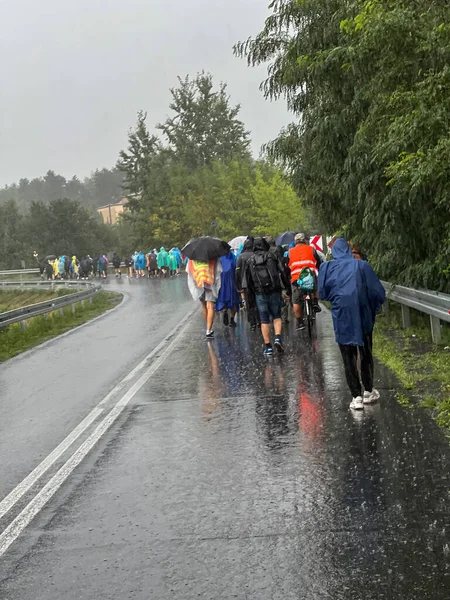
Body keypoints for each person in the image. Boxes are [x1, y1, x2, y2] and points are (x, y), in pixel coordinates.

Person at [319, 237, 386, 410]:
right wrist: (374, 306)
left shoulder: (327, 267)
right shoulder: (362, 265)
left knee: (348, 356)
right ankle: (369, 391)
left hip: (342, 315)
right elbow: (377, 291)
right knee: (366, 352)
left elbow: (323, 294)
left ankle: (356, 396)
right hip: (363, 313)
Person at [245, 237, 290, 356]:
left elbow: (248, 282)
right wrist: (287, 288)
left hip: (260, 293)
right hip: (274, 291)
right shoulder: (272, 256)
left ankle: (268, 347)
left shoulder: (250, 260)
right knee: (276, 316)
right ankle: (278, 338)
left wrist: (250, 300)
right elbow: (282, 272)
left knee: (264, 320)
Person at [288, 233, 323, 331]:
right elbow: (318, 262)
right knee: (314, 283)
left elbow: (287, 266)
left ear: (295, 242)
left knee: (296, 301)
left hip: (296, 279)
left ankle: (300, 323)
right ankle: (315, 302)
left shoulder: (290, 252)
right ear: (305, 241)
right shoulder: (311, 249)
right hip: (309, 276)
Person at [187, 258, 222, 338]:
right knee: (210, 306)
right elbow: (218, 271)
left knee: (203, 306)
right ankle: (208, 330)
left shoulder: (192, 258)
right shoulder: (212, 257)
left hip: (199, 284)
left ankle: (208, 326)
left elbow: (189, 271)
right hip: (210, 284)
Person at [235, 237, 259, 331]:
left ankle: (252, 322)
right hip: (256, 282)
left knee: (249, 303)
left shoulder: (240, 256)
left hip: (245, 283)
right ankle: (259, 320)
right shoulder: (255, 255)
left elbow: (237, 271)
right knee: (257, 301)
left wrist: (238, 284)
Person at [216, 251, 240, 327]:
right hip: (232, 282)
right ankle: (232, 319)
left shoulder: (219, 259)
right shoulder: (233, 258)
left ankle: (225, 310)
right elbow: (237, 270)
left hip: (222, 283)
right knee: (234, 300)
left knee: (223, 298)